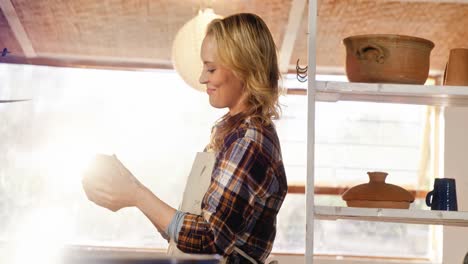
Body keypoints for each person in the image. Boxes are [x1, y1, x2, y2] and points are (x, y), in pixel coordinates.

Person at [82, 13, 288, 264]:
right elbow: (188, 234)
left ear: (244, 68)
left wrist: (137, 194)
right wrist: (128, 186)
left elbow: (209, 239)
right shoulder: (231, 135)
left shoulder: (249, 141)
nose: (202, 78)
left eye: (211, 68)